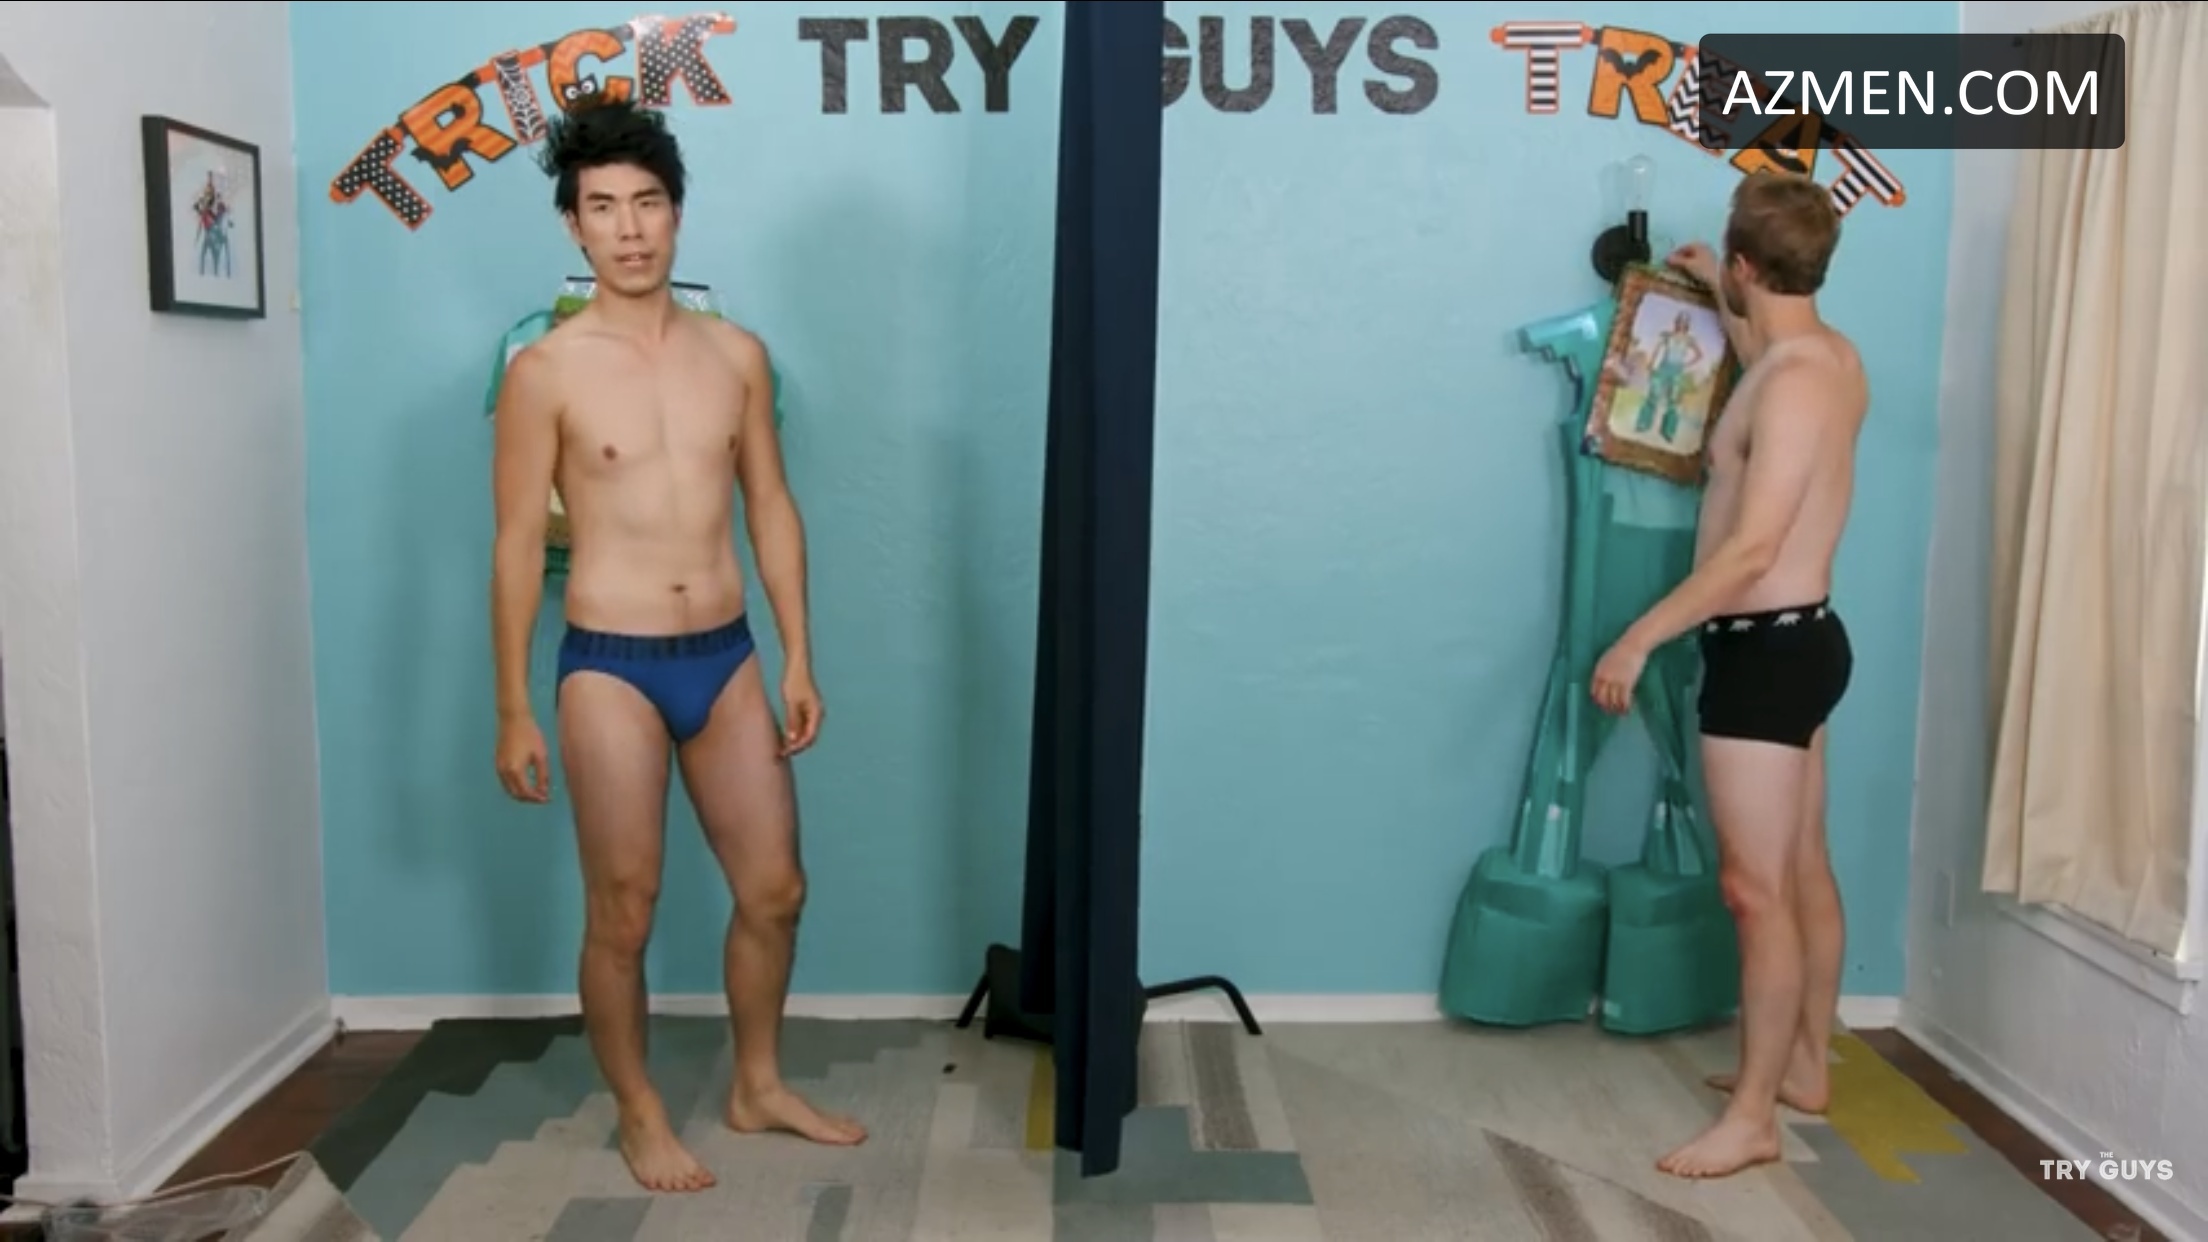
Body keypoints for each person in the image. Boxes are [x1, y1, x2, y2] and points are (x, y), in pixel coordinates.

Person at [489, 96, 867, 1194]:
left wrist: (798, 653)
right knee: (625, 907)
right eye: (603, 207)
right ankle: (639, 1109)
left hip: (727, 655)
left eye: (647, 202)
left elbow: (772, 508)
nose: (629, 227)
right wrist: (513, 705)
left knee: (776, 888)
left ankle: (757, 1083)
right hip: (611, 663)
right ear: (573, 225)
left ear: (677, 212)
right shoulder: (544, 371)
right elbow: (516, 544)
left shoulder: (737, 356)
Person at [1588, 171, 1865, 1180]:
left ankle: (1753, 1119)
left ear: (1752, 264)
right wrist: (1715, 290)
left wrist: (1638, 639)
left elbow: (1750, 552)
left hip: (1763, 659)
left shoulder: (1789, 382)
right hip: (1808, 641)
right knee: (1801, 868)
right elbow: (1767, 384)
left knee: (1755, 891)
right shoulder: (1824, 359)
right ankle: (1806, 1069)